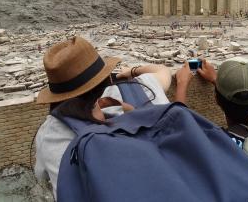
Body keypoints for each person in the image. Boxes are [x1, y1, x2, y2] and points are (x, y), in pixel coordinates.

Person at [34, 36, 174, 199]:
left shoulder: (49, 134)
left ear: (56, 96)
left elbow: (41, 178)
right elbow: (164, 71)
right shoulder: (141, 91)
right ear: (107, 77)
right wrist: (132, 71)